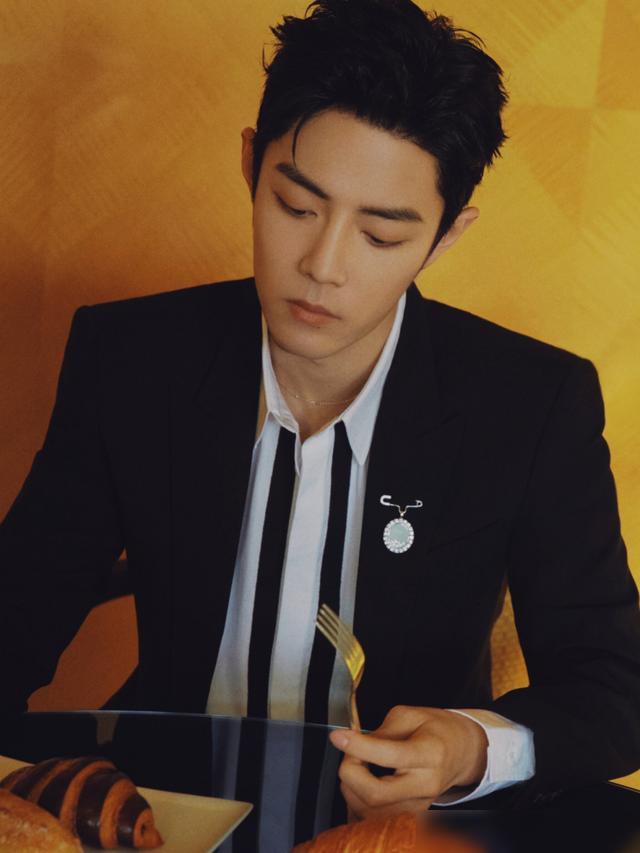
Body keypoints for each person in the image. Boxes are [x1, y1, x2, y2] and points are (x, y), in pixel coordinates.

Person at [1, 0, 640, 819]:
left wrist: (471, 746)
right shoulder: (132, 358)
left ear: (446, 236)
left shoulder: (531, 403)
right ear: (250, 165)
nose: (323, 266)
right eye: (297, 207)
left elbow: (614, 689)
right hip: (164, 810)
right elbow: (16, 612)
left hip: (404, 830)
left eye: (381, 236)